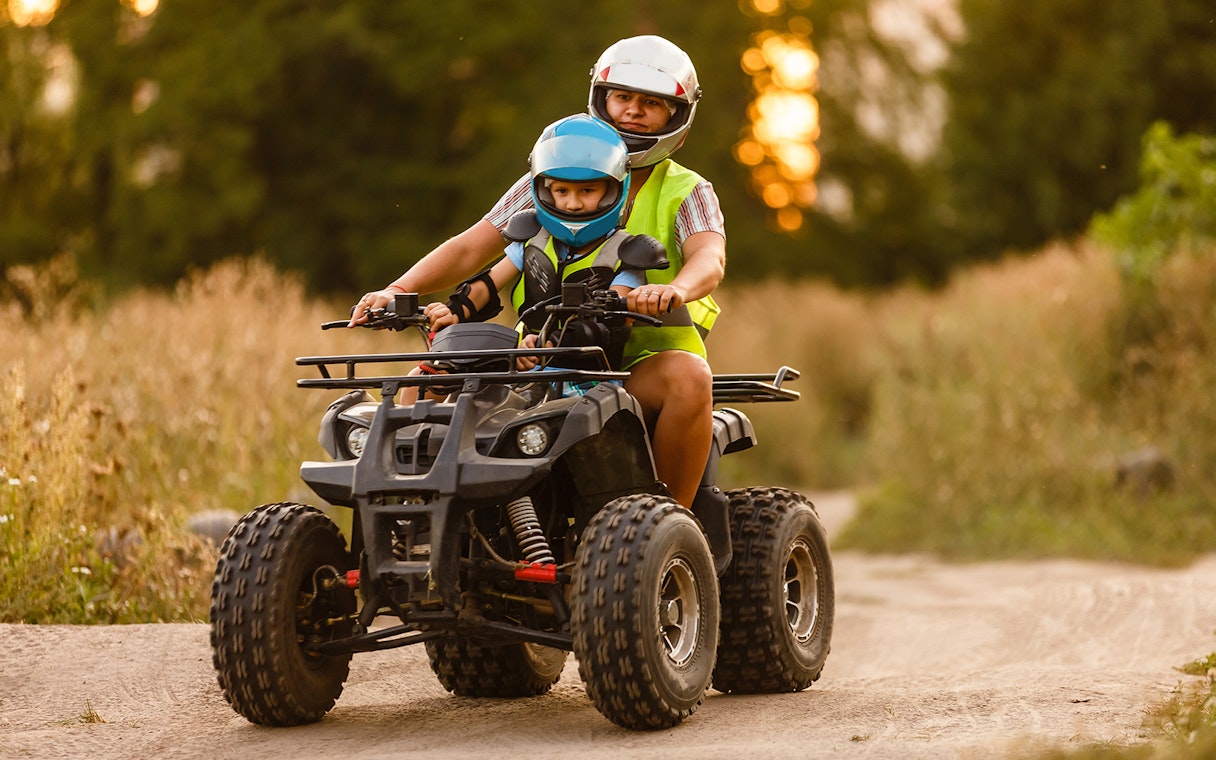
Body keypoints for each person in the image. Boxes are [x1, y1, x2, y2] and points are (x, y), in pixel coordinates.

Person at [351, 36, 725, 509]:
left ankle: (673, 530)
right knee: (421, 381)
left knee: (691, 377)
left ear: (677, 116)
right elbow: (473, 247)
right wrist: (398, 289)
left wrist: (671, 289)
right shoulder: (553, 173)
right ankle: (412, 517)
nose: (633, 111)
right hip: (538, 356)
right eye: (623, 97)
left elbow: (708, 258)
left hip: (637, 364)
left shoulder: (687, 189)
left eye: (651, 103)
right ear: (600, 99)